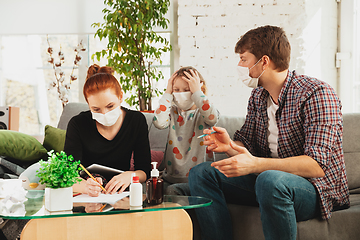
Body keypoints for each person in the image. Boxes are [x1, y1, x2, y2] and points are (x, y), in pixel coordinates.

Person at [188, 25, 349, 240]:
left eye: (244, 59)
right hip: (269, 183)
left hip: (315, 190)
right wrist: (230, 146)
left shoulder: (316, 93)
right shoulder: (258, 97)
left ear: (264, 61)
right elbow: (248, 147)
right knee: (202, 173)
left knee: (269, 179)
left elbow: (317, 166)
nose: (239, 65)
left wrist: (257, 165)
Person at [64, 64, 151, 197]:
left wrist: (129, 176)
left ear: (120, 97)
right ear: (88, 105)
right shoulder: (77, 124)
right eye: (96, 109)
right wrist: (86, 186)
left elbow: (144, 171)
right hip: (87, 195)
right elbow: (68, 174)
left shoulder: (136, 121)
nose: (104, 114)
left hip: (119, 195)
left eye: (110, 106)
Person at [153, 66, 220, 195]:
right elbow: (159, 123)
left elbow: (212, 118)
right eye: (176, 90)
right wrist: (167, 93)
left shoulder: (204, 112)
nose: (181, 93)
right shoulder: (172, 112)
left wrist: (197, 93)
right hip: (170, 177)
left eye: (187, 89)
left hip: (199, 178)